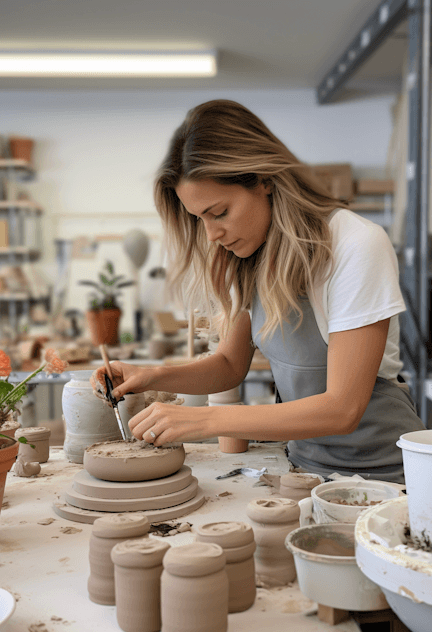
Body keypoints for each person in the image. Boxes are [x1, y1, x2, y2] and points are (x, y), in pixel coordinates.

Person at [109, 99, 424, 484]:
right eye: (199, 219)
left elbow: (343, 409)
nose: (212, 235)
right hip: (303, 466)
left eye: (220, 212)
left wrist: (203, 419)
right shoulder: (251, 255)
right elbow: (229, 366)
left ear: (264, 180)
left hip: (385, 477)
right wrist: (149, 376)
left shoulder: (356, 244)